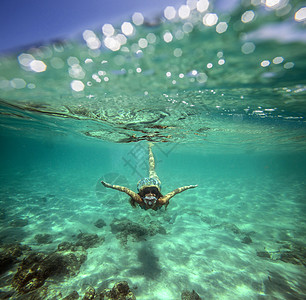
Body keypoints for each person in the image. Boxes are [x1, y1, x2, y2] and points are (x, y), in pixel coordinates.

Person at [101, 143, 197, 210]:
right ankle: (149, 149)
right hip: (149, 184)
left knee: (151, 168)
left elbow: (176, 192)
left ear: (156, 197)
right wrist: (109, 186)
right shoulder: (142, 200)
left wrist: (189, 187)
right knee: (151, 169)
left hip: (149, 183)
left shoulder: (160, 200)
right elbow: (125, 189)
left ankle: (150, 149)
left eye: (151, 200)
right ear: (143, 197)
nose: (150, 203)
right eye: (148, 200)